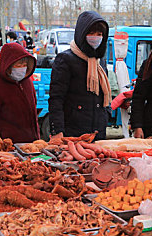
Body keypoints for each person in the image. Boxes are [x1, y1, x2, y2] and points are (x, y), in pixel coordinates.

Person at [49, 11, 112, 140]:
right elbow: (56, 98)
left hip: (98, 131)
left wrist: (106, 115)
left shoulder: (100, 61)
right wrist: (57, 130)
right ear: (81, 34)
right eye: (91, 33)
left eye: (99, 34)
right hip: (73, 132)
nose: (95, 37)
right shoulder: (65, 59)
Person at [0, 42, 39, 143]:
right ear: (8, 65)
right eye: (18, 65)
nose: (22, 68)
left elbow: (33, 115)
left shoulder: (27, 82)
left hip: (29, 147)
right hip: (5, 149)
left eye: (25, 65)